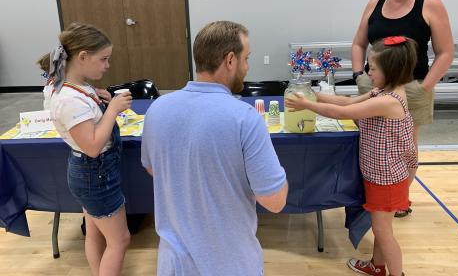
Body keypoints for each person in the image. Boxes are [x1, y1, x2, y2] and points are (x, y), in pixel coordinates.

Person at [141, 21, 288, 276]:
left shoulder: (157, 109)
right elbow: (274, 201)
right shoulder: (244, 118)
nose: (247, 67)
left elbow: (154, 169)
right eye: (246, 58)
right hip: (230, 264)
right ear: (230, 60)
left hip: (173, 265)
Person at [286, 36, 418, 276]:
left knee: (384, 233)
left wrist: (307, 105)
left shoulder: (389, 101)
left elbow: (342, 112)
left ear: (391, 70)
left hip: (387, 179)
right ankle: (377, 267)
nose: (368, 72)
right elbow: (346, 101)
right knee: (381, 229)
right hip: (380, 175)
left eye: (374, 68)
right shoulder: (382, 91)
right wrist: (312, 95)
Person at [351, 0, 454, 217]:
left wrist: (425, 86)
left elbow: (446, 52)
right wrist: (357, 74)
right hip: (373, 85)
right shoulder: (375, 3)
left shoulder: (430, 4)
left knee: (404, 149)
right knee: (371, 143)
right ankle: (373, 196)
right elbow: (358, 42)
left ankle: (399, 201)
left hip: (412, 87)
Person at [38, 23, 132, 276]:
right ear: (82, 57)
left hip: (93, 173)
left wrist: (103, 103)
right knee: (120, 240)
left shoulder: (77, 88)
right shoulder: (69, 99)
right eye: (103, 59)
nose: (107, 65)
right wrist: (112, 111)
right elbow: (92, 147)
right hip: (95, 173)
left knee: (94, 233)